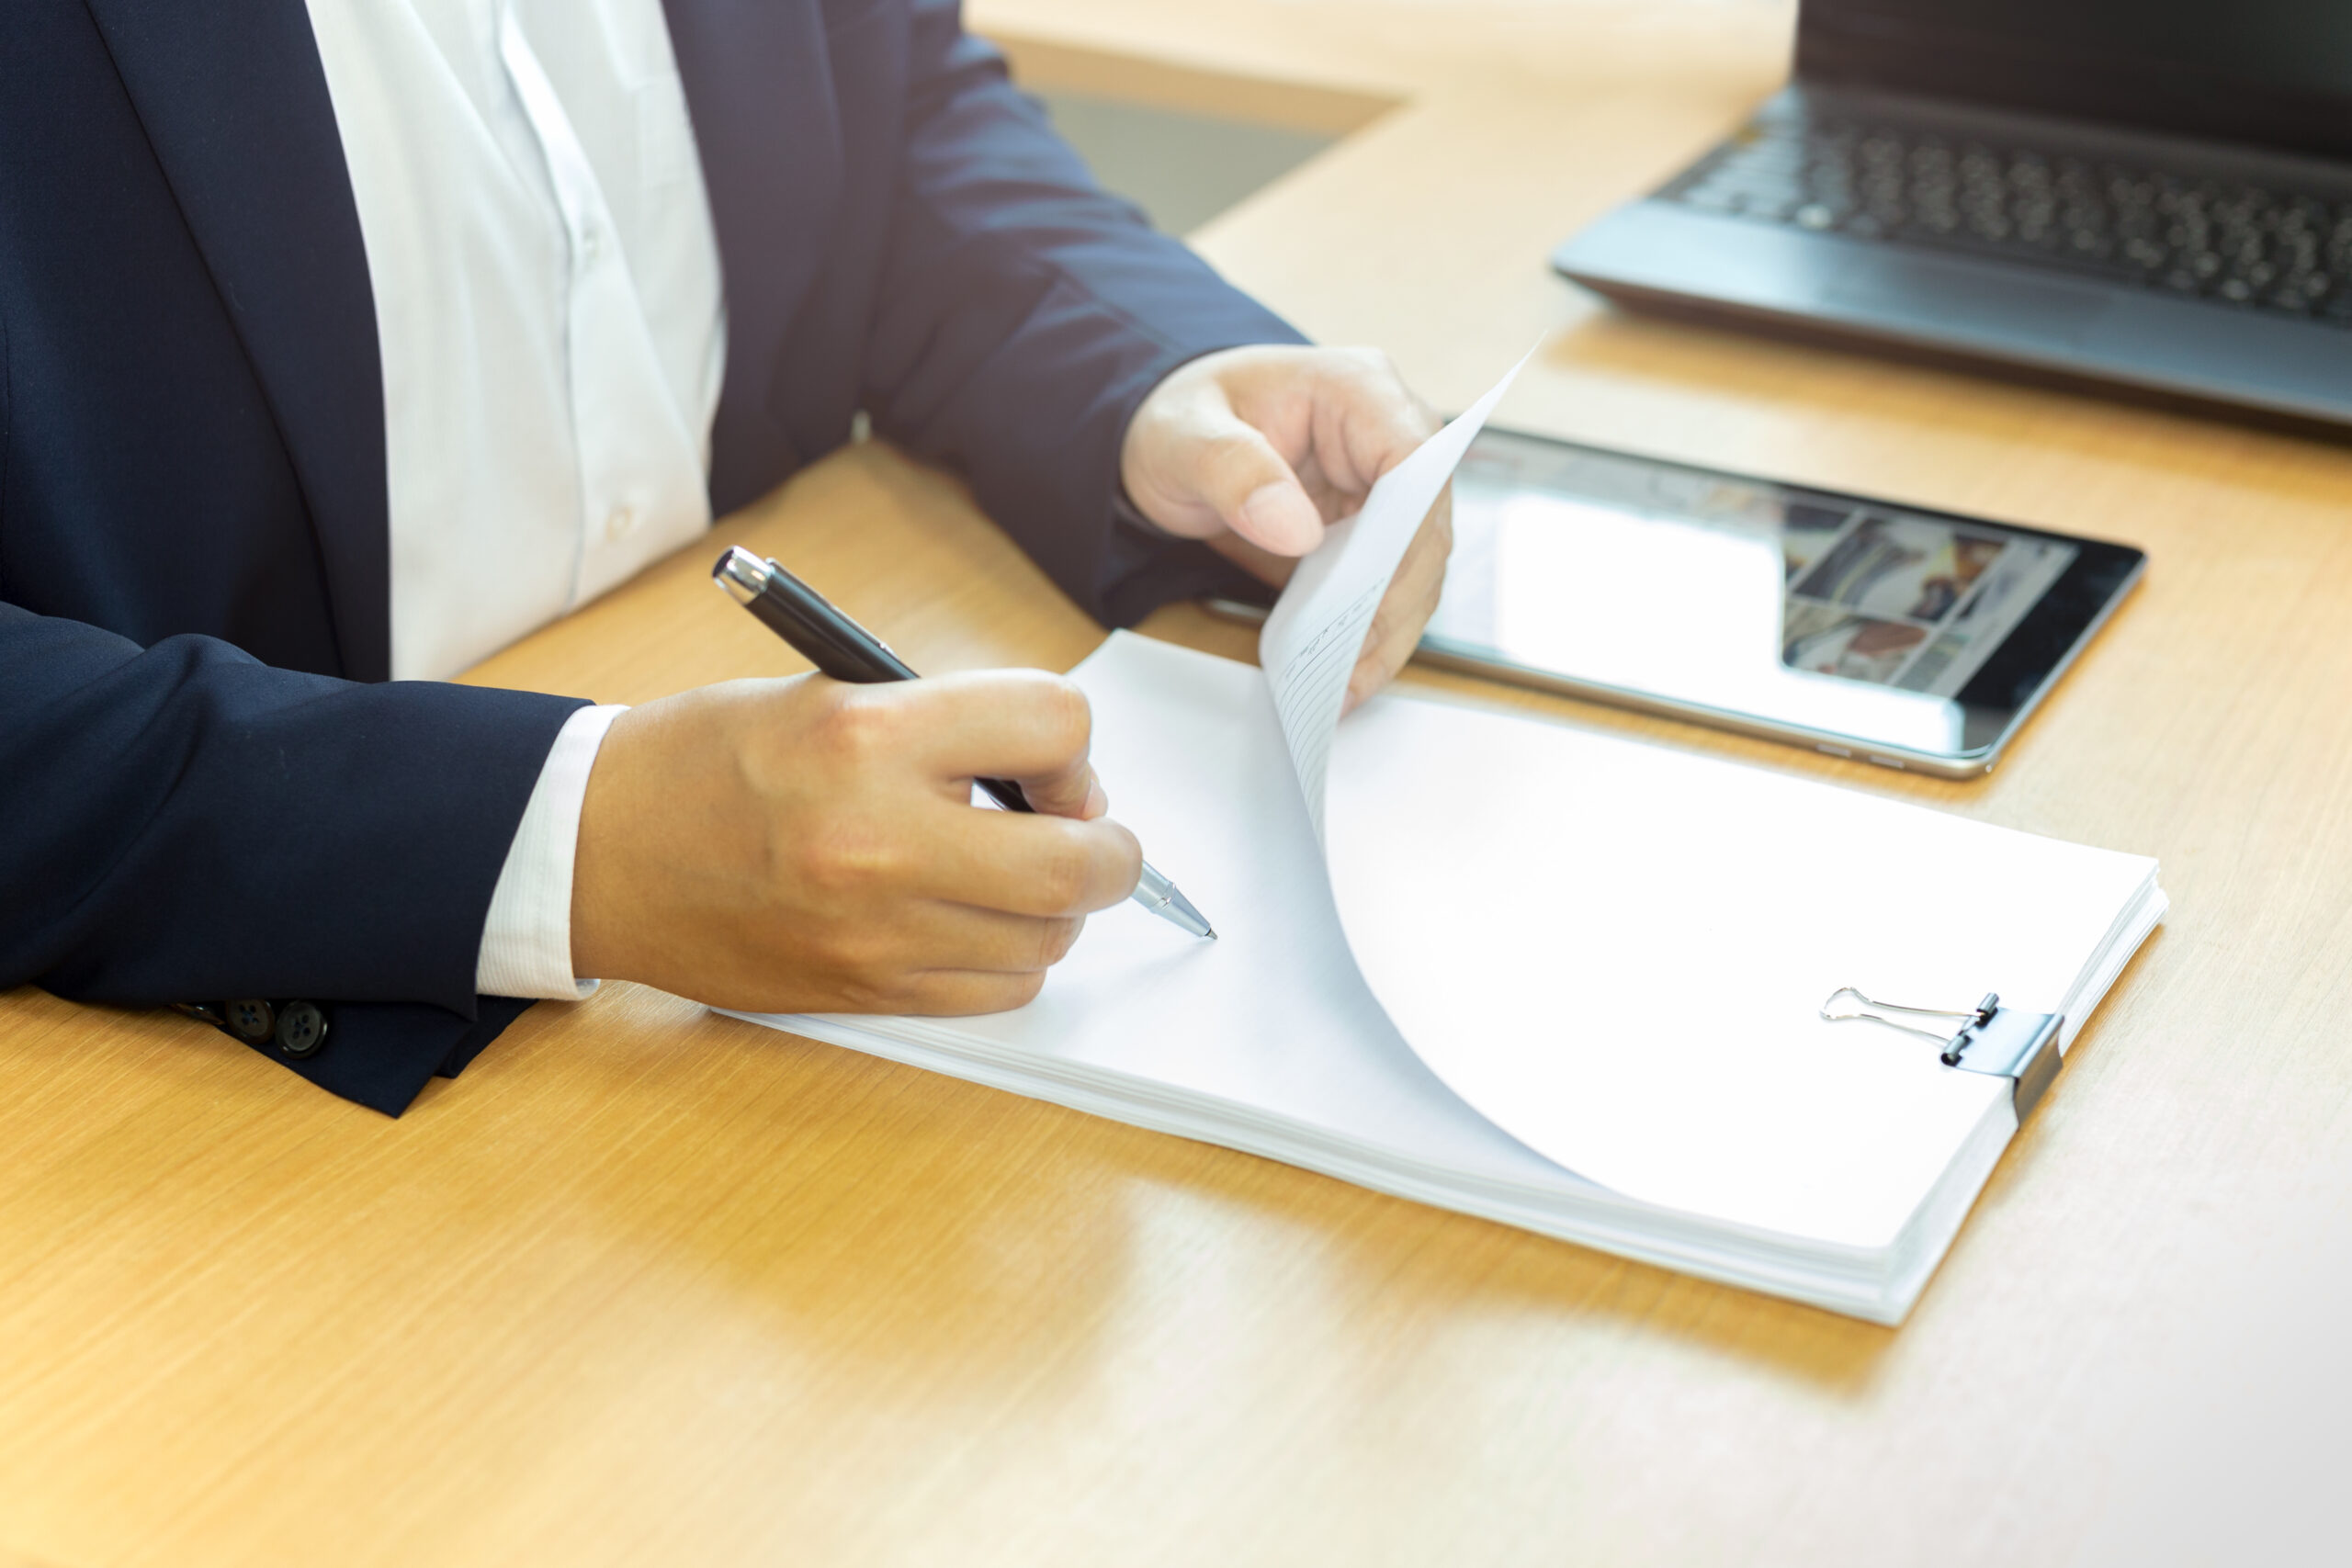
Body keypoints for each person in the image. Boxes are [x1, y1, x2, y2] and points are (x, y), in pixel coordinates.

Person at [0, 0, 1450, 1114]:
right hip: (208, 1100)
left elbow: (900, 115)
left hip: (740, 1085)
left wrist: (1147, 369)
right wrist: (572, 839)